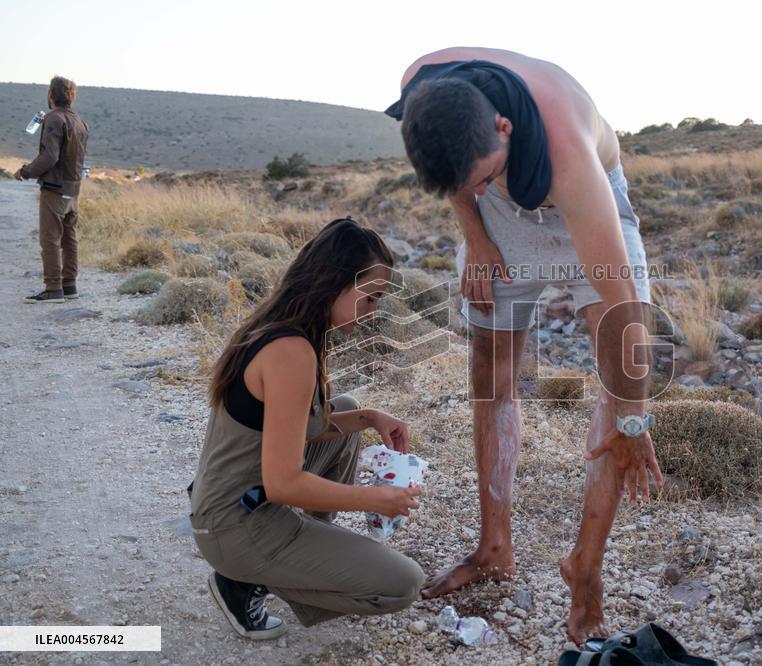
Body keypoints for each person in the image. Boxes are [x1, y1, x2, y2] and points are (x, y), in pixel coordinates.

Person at [386, 47, 665, 644]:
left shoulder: (569, 158)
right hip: (498, 216)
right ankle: (493, 549)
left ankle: (585, 571)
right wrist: (477, 231)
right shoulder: (423, 88)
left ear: (504, 126)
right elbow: (459, 175)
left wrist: (636, 417)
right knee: (490, 369)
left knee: (621, 387)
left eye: (483, 174)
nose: (477, 183)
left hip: (584, 208)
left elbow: (621, 312)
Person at [188, 219, 425, 640]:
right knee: (402, 585)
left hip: (232, 500)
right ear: (333, 282)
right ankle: (245, 579)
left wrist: (369, 417)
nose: (372, 314)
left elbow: (300, 424)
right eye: (369, 299)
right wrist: (374, 499)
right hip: (236, 523)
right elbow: (282, 484)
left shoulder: (288, 329)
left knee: (349, 411)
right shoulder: (291, 352)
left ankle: (301, 548)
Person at [15, 76, 89, 304]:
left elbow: (50, 156)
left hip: (55, 189)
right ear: (71, 96)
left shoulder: (54, 120)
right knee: (69, 239)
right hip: (73, 189)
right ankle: (69, 286)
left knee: (50, 239)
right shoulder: (80, 122)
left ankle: (53, 288)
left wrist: (25, 171)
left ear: (51, 94)